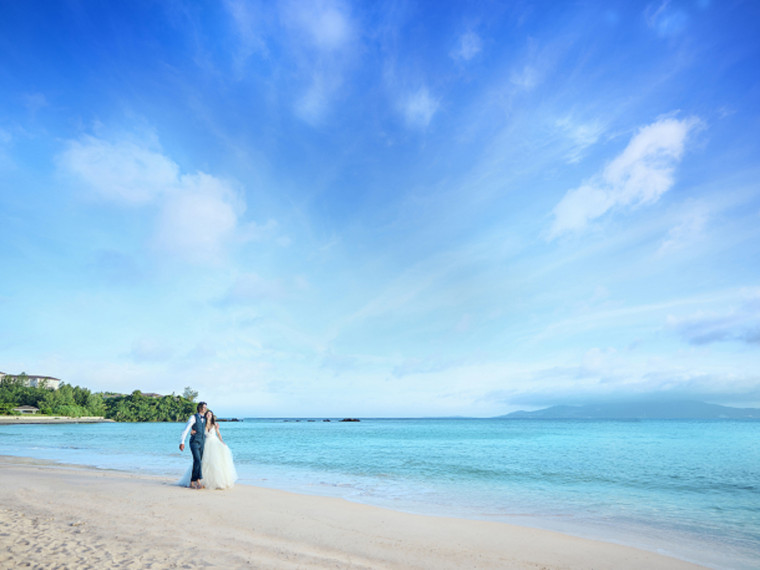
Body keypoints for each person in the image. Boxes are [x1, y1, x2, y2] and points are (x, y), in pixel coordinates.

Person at [178, 410, 238, 490]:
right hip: (205, 443)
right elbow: (197, 430)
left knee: (215, 463)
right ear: (206, 415)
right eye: (208, 414)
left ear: (212, 416)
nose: (209, 415)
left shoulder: (215, 424)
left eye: (211, 414)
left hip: (214, 443)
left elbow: (218, 434)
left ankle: (217, 482)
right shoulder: (202, 424)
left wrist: (222, 442)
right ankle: (198, 481)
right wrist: (192, 432)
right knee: (202, 462)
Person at [179, 401, 207, 489]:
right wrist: (182, 442)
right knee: (197, 460)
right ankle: (193, 481)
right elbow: (186, 429)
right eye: (203, 408)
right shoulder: (193, 417)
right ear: (199, 408)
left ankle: (197, 481)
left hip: (202, 442)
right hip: (194, 441)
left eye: (206, 408)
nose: (205, 409)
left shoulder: (205, 418)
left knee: (199, 462)